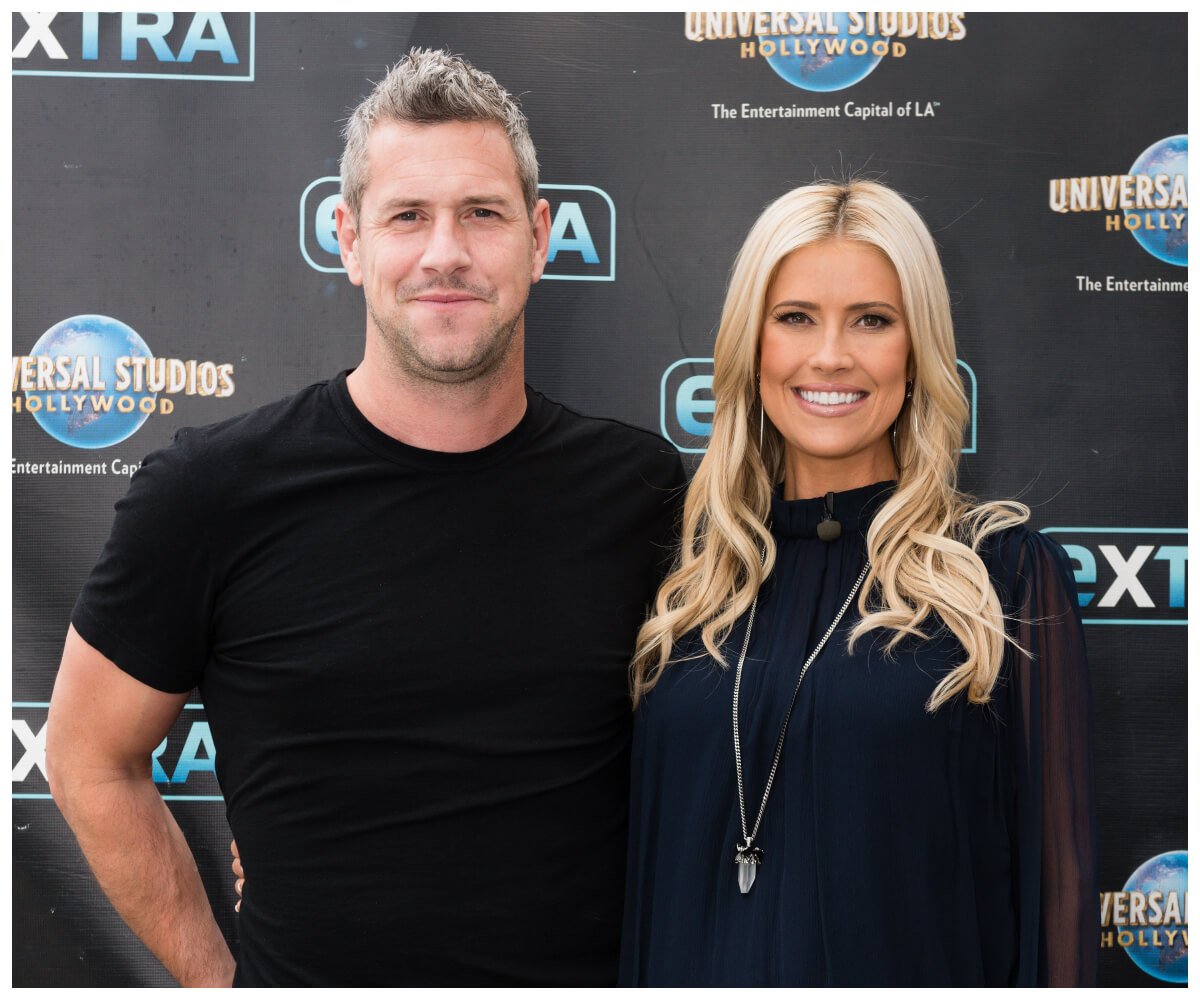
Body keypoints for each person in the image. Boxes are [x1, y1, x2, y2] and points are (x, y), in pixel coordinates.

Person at [46, 48, 683, 987]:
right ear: (347, 240)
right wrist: (221, 980)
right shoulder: (211, 492)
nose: (445, 253)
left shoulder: (640, 490)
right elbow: (86, 755)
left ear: (542, 237)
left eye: (483, 214)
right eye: (407, 217)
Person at [619, 181, 1097, 986]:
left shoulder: (1002, 577)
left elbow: (1060, 902)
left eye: (872, 320)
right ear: (751, 346)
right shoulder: (689, 581)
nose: (831, 355)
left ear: (916, 354)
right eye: (796, 317)